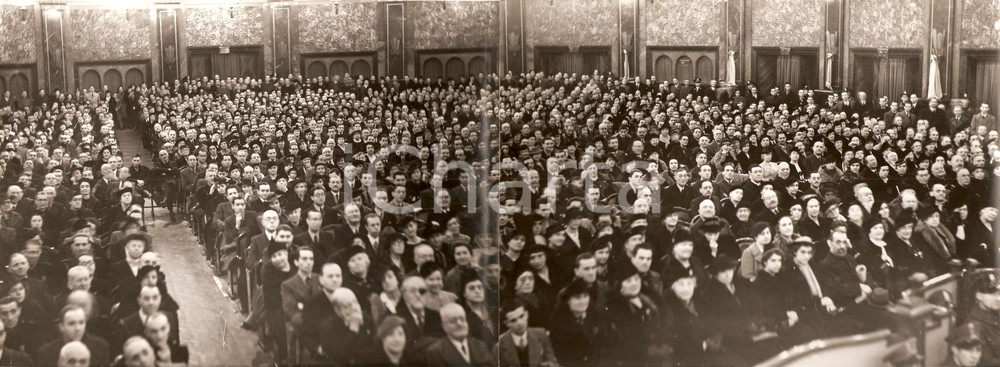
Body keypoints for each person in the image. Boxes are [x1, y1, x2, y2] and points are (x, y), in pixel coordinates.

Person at [494, 300, 559, 367]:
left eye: (521, 316)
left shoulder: (541, 334)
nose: (519, 323)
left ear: (527, 314)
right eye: (513, 320)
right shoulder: (499, 347)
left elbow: (552, 362)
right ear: (507, 323)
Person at [425, 303, 493, 366]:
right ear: (444, 325)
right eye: (453, 321)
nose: (459, 324)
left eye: (462, 319)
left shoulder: (481, 346)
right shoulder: (435, 352)